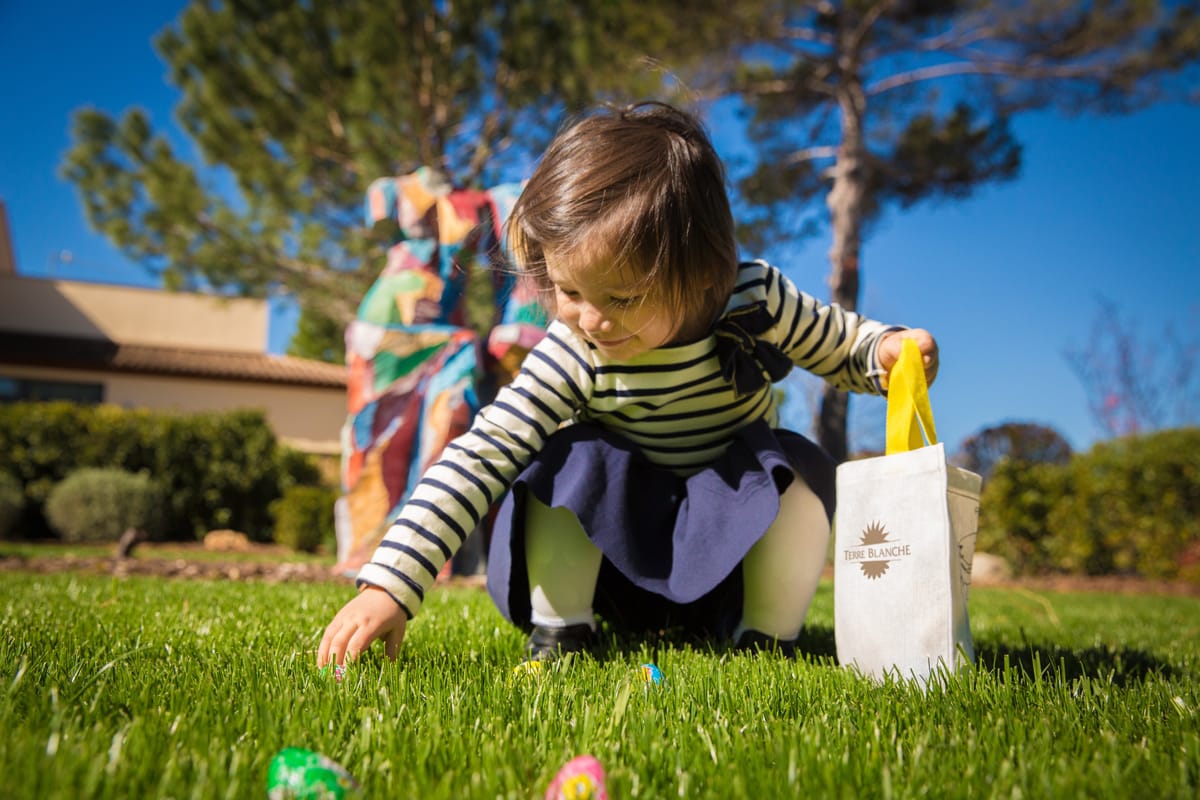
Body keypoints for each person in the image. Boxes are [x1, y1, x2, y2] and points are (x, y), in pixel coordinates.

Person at [317, 101, 938, 667]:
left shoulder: (753, 301)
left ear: (703, 272)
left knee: (795, 467)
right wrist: (390, 584)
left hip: (729, 558)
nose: (591, 319)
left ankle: (765, 638)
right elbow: (482, 455)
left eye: (622, 297)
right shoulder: (573, 352)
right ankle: (562, 630)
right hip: (615, 563)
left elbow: (839, 345)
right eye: (569, 290)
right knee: (566, 458)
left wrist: (886, 352)